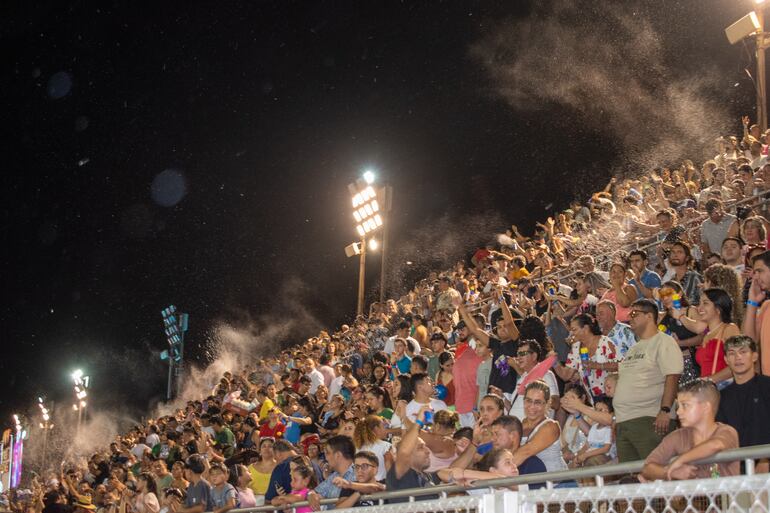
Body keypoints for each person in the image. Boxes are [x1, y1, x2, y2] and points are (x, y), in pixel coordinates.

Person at [614, 299, 683, 463]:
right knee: (630, 479)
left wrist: (665, 410)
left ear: (649, 316)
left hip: (650, 420)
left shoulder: (663, 341)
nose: (629, 318)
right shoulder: (634, 348)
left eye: (634, 314)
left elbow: (672, 376)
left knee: (654, 475)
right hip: (625, 421)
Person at [642, 379, 739, 480]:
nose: (678, 412)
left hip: (725, 495)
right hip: (692, 496)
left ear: (706, 407)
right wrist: (670, 472)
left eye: (685, 405)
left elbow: (715, 445)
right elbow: (647, 468)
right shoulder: (677, 436)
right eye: (678, 406)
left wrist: (680, 461)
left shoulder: (727, 431)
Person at [717, 335, 770, 472]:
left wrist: (765, 460)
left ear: (754, 356)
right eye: (732, 353)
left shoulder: (767, 386)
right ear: (726, 360)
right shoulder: (722, 397)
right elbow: (721, 437)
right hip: (736, 472)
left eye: (743, 352)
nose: (738, 357)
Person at [672, 288, 740, 384]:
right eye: (700, 303)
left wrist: (708, 380)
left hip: (725, 391)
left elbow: (737, 364)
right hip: (709, 391)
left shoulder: (729, 329)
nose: (699, 308)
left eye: (705, 303)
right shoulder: (706, 335)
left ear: (718, 308)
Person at [556, 314, 619, 399]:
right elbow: (566, 375)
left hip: (613, 397)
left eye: (574, 330)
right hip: (593, 400)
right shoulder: (576, 347)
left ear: (585, 328)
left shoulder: (604, 342)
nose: (572, 334)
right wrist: (554, 362)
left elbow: (620, 365)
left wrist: (596, 365)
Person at [385, 405, 436, 504]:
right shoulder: (399, 475)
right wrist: (418, 422)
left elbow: (452, 472)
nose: (428, 451)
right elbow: (404, 451)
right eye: (421, 447)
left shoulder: (427, 476)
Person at [506, 340, 559, 420]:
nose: (518, 357)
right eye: (518, 354)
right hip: (515, 427)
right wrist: (502, 397)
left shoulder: (546, 375)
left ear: (534, 356)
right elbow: (513, 407)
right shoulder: (523, 377)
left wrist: (534, 393)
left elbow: (556, 403)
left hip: (535, 429)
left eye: (523, 354)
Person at [743, 250, 770, 375]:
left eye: (760, 271)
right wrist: (752, 302)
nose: (755, 277)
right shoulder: (766, 306)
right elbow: (750, 341)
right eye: (755, 272)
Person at [352, 416, 393, 481]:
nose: (386, 429)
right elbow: (391, 474)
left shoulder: (357, 448)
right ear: (376, 429)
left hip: (362, 487)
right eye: (383, 426)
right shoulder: (386, 446)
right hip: (381, 487)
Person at [661, 241, 703, 305]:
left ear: (687, 258)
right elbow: (675, 303)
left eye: (679, 252)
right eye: (673, 252)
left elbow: (704, 301)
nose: (675, 255)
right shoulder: (672, 280)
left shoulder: (695, 277)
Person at [264, 440, 297, 504]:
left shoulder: (282, 467)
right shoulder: (312, 463)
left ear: (278, 453)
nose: (276, 461)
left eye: (275, 458)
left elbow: (269, 499)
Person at [247, 438, 276, 503]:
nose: (267, 449)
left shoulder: (280, 467)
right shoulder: (250, 468)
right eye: (264, 446)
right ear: (260, 450)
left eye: (270, 446)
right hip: (255, 505)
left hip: (274, 505)